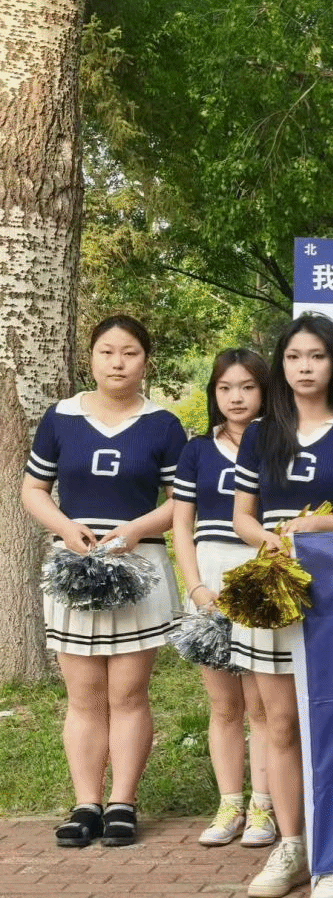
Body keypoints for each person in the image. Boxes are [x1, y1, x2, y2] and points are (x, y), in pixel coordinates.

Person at [232, 314, 333, 898]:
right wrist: (269, 541)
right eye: (294, 357)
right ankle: (293, 845)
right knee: (281, 724)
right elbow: (241, 516)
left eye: (317, 356)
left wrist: (319, 526)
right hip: (273, 590)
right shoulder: (261, 433)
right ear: (281, 365)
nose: (304, 367)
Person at [21, 315, 187, 848]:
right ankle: (85, 803)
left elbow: (182, 502)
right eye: (107, 352)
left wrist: (136, 530)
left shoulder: (163, 425)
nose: (118, 362)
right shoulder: (61, 417)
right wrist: (66, 528)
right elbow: (33, 490)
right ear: (90, 358)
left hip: (140, 567)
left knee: (129, 693)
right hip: (74, 567)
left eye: (130, 353)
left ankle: (123, 803)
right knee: (84, 695)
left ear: (146, 361)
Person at [172, 349, 277, 849]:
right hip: (209, 579)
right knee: (223, 705)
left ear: (265, 390)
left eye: (248, 387)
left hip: (262, 576)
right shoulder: (197, 450)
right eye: (225, 388)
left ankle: (265, 806)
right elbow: (181, 524)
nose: (236, 397)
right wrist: (195, 586)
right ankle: (230, 803)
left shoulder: (279, 442)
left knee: (263, 706)